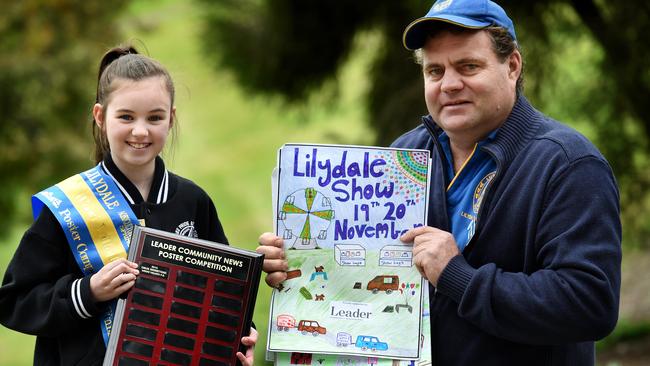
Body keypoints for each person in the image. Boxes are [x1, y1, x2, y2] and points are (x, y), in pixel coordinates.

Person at [256, 0, 622, 364]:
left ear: (512, 66)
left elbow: (589, 304)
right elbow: (368, 286)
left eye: (468, 66)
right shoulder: (404, 157)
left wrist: (456, 275)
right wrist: (298, 265)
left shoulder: (568, 164)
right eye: (435, 71)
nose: (449, 84)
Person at [0, 46, 257, 365]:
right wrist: (88, 292)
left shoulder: (193, 201)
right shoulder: (67, 206)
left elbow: (223, 293)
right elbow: (14, 302)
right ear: (100, 116)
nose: (140, 130)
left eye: (155, 117)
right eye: (126, 117)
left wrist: (241, 336)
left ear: (171, 119)